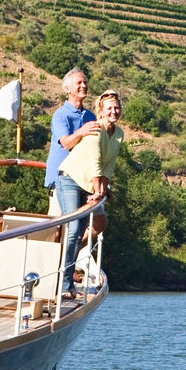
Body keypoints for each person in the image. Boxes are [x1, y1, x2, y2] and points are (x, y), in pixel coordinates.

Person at [55, 90, 124, 299]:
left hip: (88, 185)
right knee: (74, 228)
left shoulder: (119, 134)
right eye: (109, 108)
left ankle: (64, 277)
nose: (114, 111)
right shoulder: (95, 130)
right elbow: (95, 163)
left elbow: (108, 165)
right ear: (100, 112)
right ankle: (64, 285)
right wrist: (97, 189)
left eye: (117, 107)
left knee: (79, 235)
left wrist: (103, 190)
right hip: (69, 179)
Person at [45, 68, 96, 201]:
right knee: (59, 221)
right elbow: (66, 144)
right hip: (59, 181)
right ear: (67, 89)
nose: (84, 86)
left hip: (83, 182)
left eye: (85, 82)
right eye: (79, 83)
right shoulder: (60, 115)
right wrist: (82, 131)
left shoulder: (90, 116)